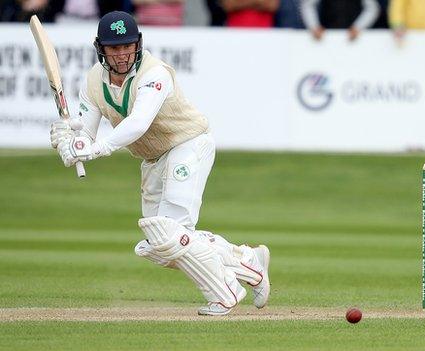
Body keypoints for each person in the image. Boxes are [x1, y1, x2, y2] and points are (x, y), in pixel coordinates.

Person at [49, 11, 271, 316]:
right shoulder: (92, 82)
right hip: (152, 158)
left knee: (171, 230)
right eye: (114, 48)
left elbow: (138, 123)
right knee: (159, 244)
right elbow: (85, 133)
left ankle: (226, 291)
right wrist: (71, 143)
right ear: (101, 48)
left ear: (138, 44)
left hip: (188, 143)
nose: (122, 54)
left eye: (127, 46)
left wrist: (97, 149)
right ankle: (249, 262)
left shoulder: (155, 73)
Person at [300, 0, 380, 41]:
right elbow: (308, 5)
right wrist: (314, 27)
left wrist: (358, 27)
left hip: (353, 38)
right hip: (327, 37)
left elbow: (372, 8)